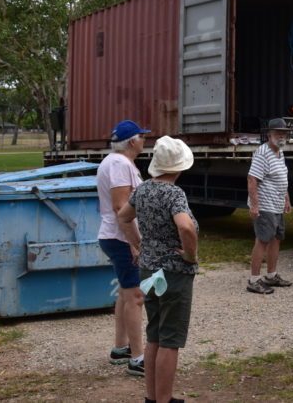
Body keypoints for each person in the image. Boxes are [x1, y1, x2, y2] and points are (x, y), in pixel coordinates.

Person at [118, 135, 198, 403]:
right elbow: (185, 226)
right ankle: (164, 400)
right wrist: (190, 255)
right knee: (170, 339)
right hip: (174, 272)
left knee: (154, 334)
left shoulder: (142, 189)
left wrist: (139, 246)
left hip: (150, 269)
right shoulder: (174, 193)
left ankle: (152, 397)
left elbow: (124, 217)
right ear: (178, 167)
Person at [96, 119, 150, 376]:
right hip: (120, 238)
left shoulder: (117, 162)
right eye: (142, 137)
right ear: (132, 141)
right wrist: (135, 243)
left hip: (116, 236)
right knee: (136, 297)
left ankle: (121, 348)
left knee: (125, 293)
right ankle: (138, 358)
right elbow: (121, 207)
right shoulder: (118, 163)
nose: (144, 140)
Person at [245, 118, 293, 294]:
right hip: (265, 205)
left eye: (284, 133)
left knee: (276, 239)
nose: (282, 135)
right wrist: (255, 206)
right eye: (278, 133)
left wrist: (286, 199)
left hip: (277, 204)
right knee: (263, 240)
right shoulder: (263, 153)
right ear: (269, 134)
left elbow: (281, 178)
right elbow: (252, 179)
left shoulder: (280, 152)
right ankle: (254, 280)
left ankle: (271, 275)